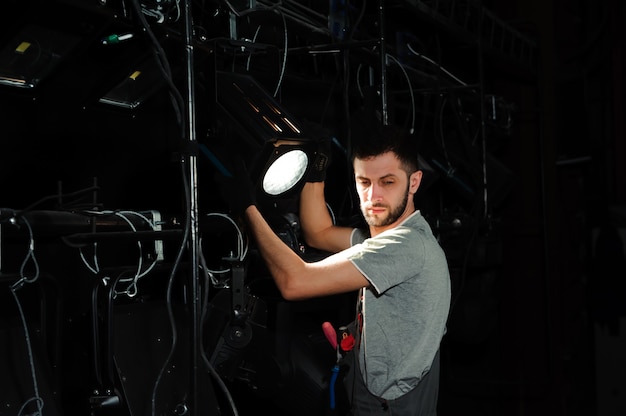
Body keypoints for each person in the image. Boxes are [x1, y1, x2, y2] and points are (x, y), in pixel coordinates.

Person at [217, 119, 451, 416]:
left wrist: (247, 208)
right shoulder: (388, 237)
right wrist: (317, 168)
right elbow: (319, 232)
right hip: (379, 394)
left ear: (414, 182)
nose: (373, 197)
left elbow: (295, 282)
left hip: (390, 407)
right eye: (364, 182)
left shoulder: (405, 246)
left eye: (388, 182)